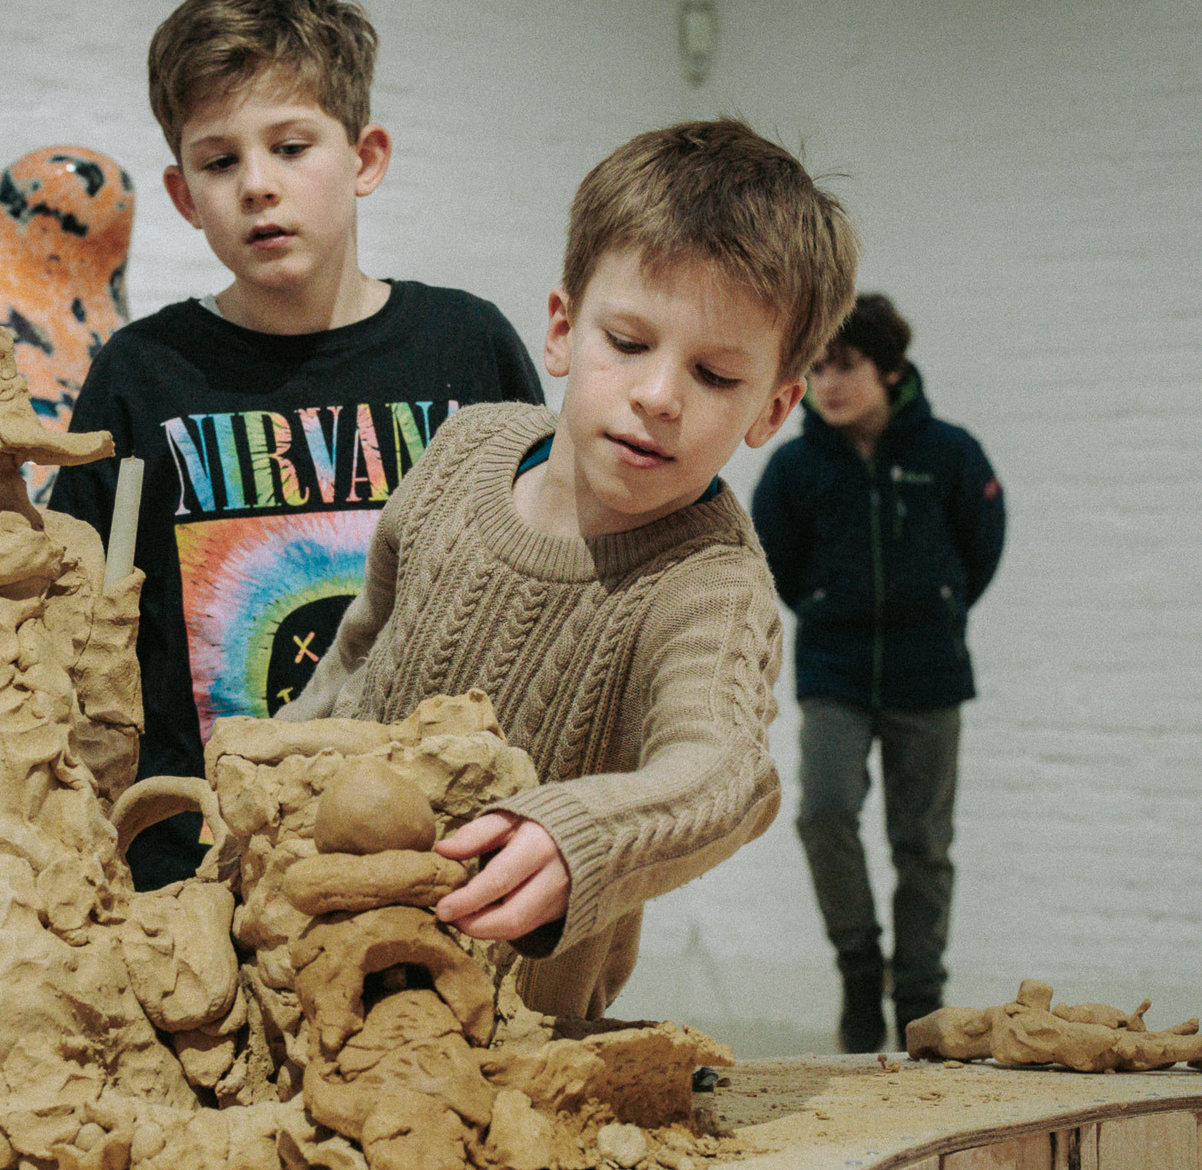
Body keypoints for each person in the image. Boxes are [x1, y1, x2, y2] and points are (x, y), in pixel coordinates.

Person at [281, 119, 859, 1019]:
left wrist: (577, 833)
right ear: (562, 329)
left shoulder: (709, 587)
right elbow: (356, 653)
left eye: (714, 375)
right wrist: (260, 778)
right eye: (627, 342)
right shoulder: (465, 449)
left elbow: (725, 771)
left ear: (773, 409)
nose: (659, 396)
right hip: (303, 962)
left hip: (504, 1030)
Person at [49, 0, 544, 889]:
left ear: (366, 158)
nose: (257, 185)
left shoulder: (469, 350)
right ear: (183, 195)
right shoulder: (140, 376)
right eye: (219, 160)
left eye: (290, 146)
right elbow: (72, 634)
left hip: (439, 863)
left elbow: (537, 600)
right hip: (197, 880)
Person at [748, 294, 1006, 1052]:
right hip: (835, 671)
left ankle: (920, 996)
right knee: (824, 813)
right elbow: (775, 558)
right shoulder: (794, 467)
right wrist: (827, 605)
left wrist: (940, 603)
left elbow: (982, 544)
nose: (828, 384)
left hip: (931, 674)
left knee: (923, 844)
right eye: (818, 368)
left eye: (846, 366)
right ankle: (861, 968)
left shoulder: (950, 453)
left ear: (890, 370)